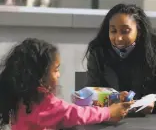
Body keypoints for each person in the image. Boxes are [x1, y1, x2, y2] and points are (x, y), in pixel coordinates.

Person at [0, 38, 133, 130]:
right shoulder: (42, 102)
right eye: (56, 70)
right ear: (40, 75)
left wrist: (111, 100)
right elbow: (74, 113)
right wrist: (109, 112)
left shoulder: (22, 96)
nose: (58, 74)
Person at [84, 3, 156, 114]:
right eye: (113, 31)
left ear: (139, 31)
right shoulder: (98, 51)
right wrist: (113, 98)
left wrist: (155, 104)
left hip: (149, 120)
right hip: (110, 118)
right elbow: (91, 92)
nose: (118, 38)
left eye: (125, 31)